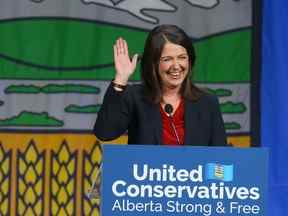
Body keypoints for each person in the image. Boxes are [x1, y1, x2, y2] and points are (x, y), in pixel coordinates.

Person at [94, 24, 227, 146]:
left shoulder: (207, 102)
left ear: (190, 61)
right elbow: (105, 133)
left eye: (182, 57)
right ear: (153, 63)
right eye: (167, 59)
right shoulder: (135, 98)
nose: (176, 66)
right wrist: (121, 78)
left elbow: (221, 158)